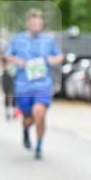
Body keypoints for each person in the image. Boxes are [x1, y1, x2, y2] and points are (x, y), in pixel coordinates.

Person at [6, 9, 64, 160]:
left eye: (39, 22)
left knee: (39, 113)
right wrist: (17, 61)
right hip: (23, 85)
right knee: (28, 119)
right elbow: (8, 55)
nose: (36, 25)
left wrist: (54, 60)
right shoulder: (18, 39)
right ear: (28, 24)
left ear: (42, 24)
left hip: (43, 84)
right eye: (33, 22)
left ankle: (39, 145)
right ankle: (25, 129)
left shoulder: (48, 40)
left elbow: (59, 56)